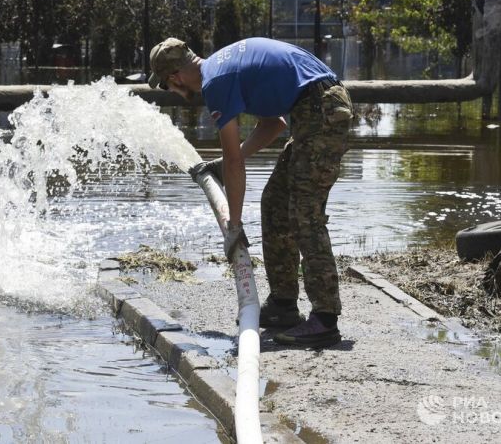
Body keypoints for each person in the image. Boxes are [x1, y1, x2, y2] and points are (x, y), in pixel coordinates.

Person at [148, 36, 353, 348]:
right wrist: (227, 163)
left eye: (166, 85)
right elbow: (274, 125)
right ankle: (284, 304)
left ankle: (325, 320)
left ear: (175, 78)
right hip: (314, 107)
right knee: (275, 203)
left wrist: (234, 225)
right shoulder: (221, 67)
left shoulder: (215, 83)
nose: (172, 91)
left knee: (304, 213)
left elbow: (234, 162)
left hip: (320, 109)